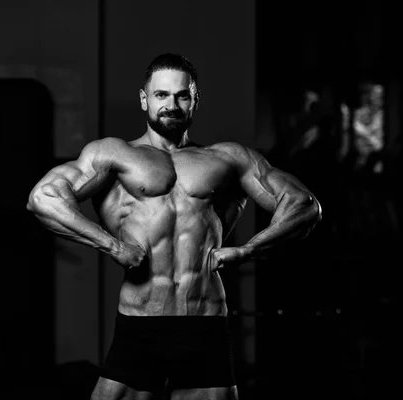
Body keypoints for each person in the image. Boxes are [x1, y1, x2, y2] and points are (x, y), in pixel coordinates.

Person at [26, 53, 322, 400]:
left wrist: (248, 249)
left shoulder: (228, 158)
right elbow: (43, 198)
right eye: (161, 95)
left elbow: (305, 206)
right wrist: (112, 246)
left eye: (182, 95)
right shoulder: (113, 155)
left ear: (195, 99)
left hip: (206, 320)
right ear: (144, 99)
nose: (172, 104)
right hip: (141, 321)